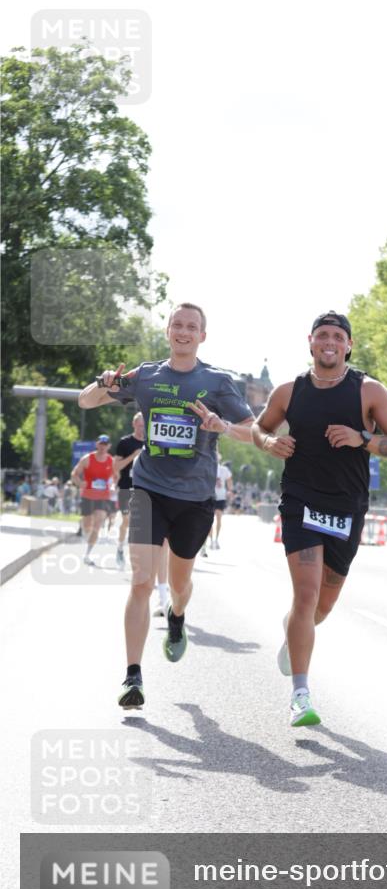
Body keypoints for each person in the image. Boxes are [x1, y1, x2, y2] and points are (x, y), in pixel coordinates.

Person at [78, 302, 255, 709]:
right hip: (147, 489)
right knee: (141, 580)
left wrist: (222, 426)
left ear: (202, 336)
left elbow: (254, 432)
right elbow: (87, 401)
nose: (184, 331)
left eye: (192, 327)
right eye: (177, 324)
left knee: (179, 584)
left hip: (194, 499)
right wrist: (106, 382)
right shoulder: (145, 375)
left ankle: (176, 616)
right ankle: (132, 677)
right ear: (168, 331)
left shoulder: (217, 381)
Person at [252, 309, 387, 727]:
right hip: (300, 501)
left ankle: (293, 635)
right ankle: (300, 696)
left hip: (347, 507)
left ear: (348, 345)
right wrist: (270, 443)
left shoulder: (370, 391)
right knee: (305, 595)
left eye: (337, 337)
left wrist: (364, 438)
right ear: (310, 341)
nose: (329, 342)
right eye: (322, 335)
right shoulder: (288, 391)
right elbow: (258, 428)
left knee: (322, 604)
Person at [71, 435, 115, 565]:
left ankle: (88, 554)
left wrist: (112, 486)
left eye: (105, 444)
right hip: (88, 495)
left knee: (98, 524)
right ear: (97, 444)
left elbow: (114, 478)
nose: (102, 447)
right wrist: (79, 483)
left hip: (102, 497)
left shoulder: (111, 461)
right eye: (101, 444)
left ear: (109, 446)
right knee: (87, 525)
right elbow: (74, 473)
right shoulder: (87, 459)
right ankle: (86, 540)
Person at [113, 412, 145, 567]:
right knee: (127, 521)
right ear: (134, 425)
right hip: (126, 487)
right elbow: (116, 467)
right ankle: (120, 547)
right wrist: (133, 456)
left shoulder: (151, 443)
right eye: (139, 426)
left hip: (144, 489)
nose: (142, 429)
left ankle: (137, 557)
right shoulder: (125, 443)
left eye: (144, 426)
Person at [210, 456, 233, 550]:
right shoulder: (209, 466)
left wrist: (230, 490)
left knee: (219, 518)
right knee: (209, 520)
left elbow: (229, 479)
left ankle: (216, 539)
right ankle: (211, 540)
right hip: (210, 496)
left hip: (220, 497)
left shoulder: (224, 470)